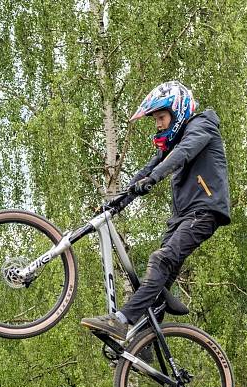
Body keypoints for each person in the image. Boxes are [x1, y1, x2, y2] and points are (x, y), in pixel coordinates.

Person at [81, 81, 231, 340]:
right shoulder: (174, 140)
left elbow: (182, 154)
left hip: (204, 212)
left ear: (178, 111)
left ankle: (121, 320)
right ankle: (145, 343)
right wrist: (117, 202)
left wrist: (153, 180)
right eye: (156, 120)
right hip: (183, 217)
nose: (159, 124)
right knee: (159, 279)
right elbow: (147, 170)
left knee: (161, 259)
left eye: (161, 117)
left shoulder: (202, 126)